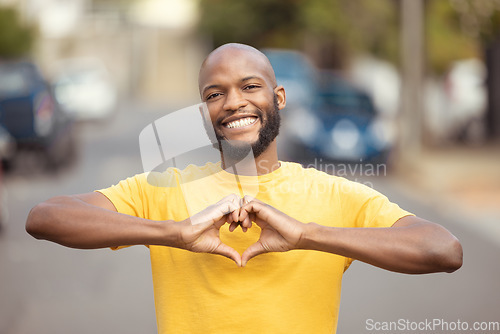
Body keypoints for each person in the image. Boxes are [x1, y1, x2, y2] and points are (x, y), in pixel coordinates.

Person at [26, 43, 463, 334]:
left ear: (280, 98)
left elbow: (443, 250)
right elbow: (44, 217)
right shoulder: (165, 189)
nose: (233, 102)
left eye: (250, 87)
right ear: (204, 112)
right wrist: (171, 233)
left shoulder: (334, 194)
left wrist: (306, 235)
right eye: (215, 94)